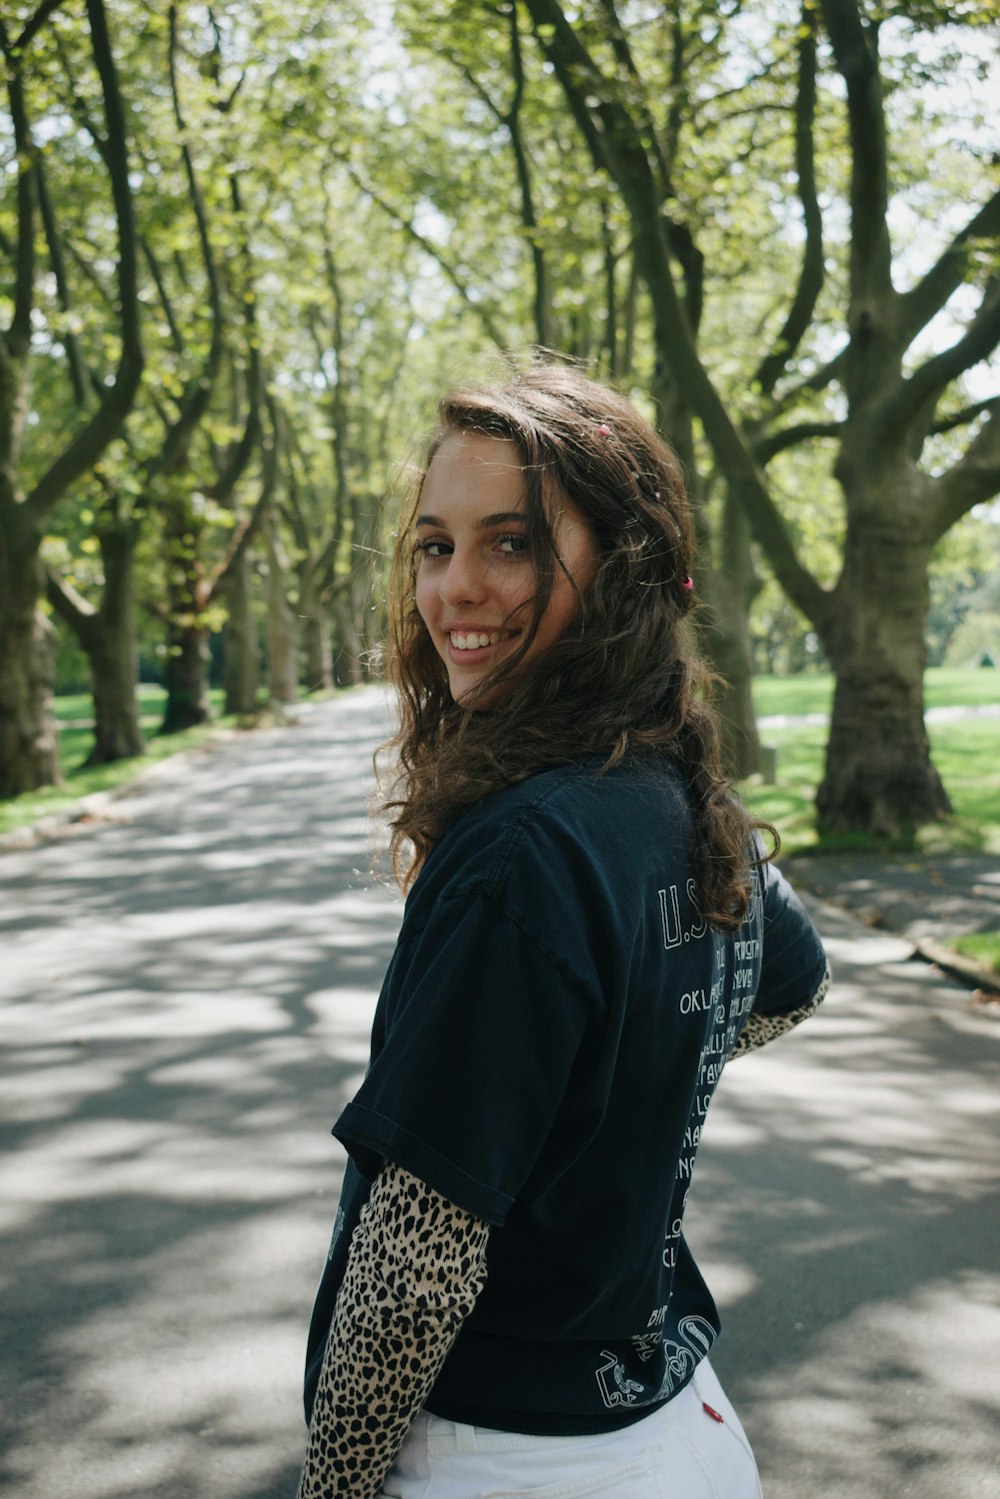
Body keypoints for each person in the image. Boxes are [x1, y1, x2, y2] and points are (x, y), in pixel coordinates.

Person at [297, 365, 830, 1499]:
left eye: (513, 543)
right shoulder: (673, 789)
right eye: (435, 546)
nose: (458, 589)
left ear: (622, 564)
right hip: (680, 1432)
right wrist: (603, 1080)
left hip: (505, 1454)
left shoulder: (519, 849)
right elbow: (788, 981)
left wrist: (332, 1487)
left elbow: (416, 1264)